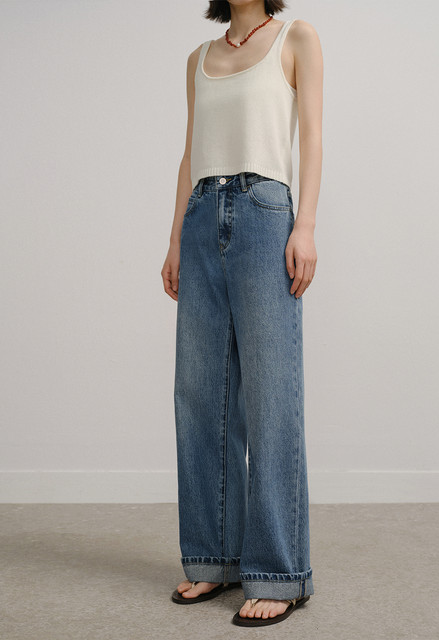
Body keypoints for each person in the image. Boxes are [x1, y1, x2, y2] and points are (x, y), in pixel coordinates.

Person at [161, 0, 323, 627]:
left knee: (270, 398)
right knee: (200, 395)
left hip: (264, 215)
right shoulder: (198, 58)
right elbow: (189, 154)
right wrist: (176, 239)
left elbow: (312, 136)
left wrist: (304, 227)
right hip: (202, 216)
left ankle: (280, 573)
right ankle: (213, 557)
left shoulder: (295, 38)